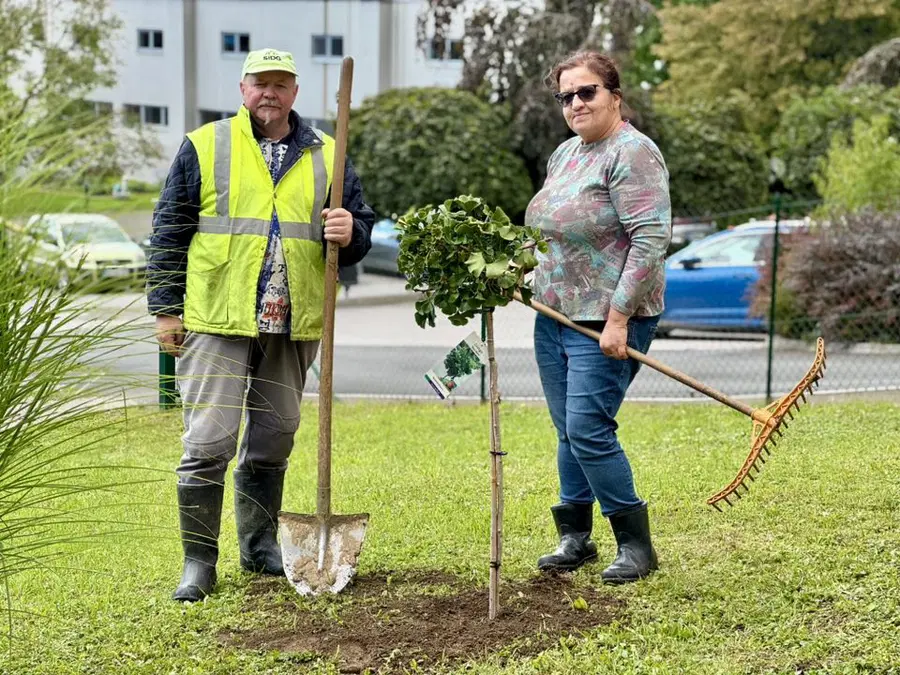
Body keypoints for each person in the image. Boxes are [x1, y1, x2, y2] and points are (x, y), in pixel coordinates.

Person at [147, 48, 375, 602]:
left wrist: (350, 232)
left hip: (292, 320)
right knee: (208, 440)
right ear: (243, 88)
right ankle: (198, 563)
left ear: (295, 92)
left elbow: (359, 230)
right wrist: (165, 308)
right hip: (218, 314)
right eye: (260, 83)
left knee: (274, 436)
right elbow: (170, 228)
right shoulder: (207, 144)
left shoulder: (328, 152)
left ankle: (259, 548)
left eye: (281, 83)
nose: (269, 92)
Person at [524, 51, 672, 583]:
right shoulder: (565, 154)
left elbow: (650, 238)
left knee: (588, 427)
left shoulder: (632, 153)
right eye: (566, 96)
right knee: (567, 428)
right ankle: (575, 538)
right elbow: (551, 233)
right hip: (554, 315)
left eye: (586, 92)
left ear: (614, 95)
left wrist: (617, 318)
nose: (575, 103)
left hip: (607, 318)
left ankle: (636, 547)